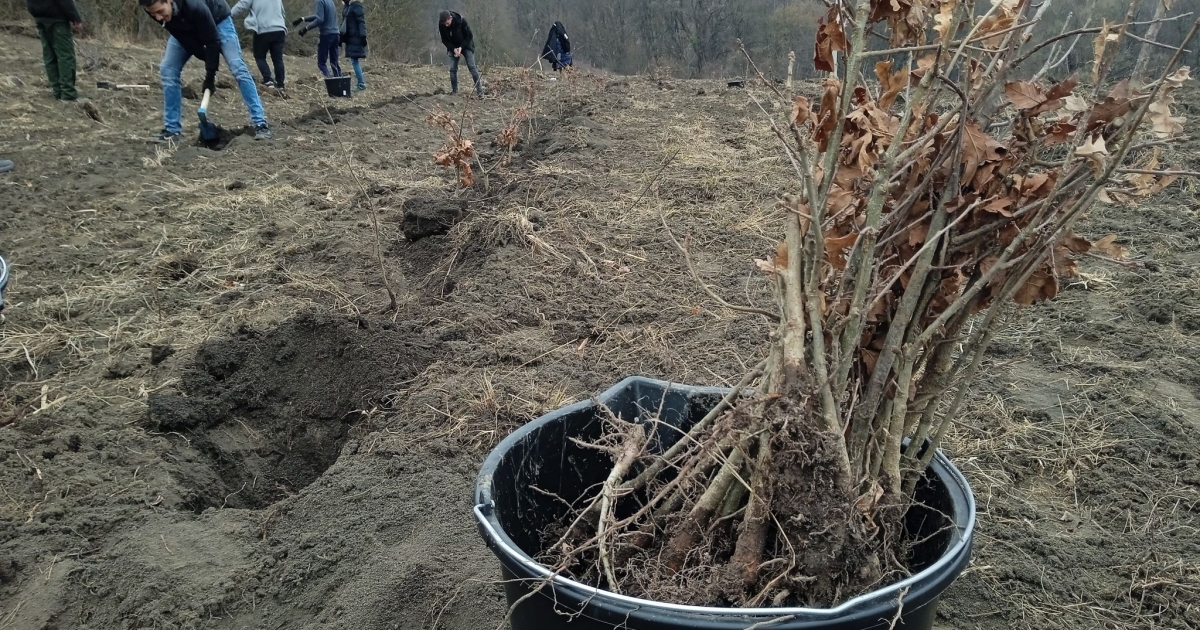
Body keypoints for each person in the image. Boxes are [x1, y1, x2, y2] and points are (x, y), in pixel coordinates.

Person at [140, 0, 271, 142]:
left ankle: (260, 124)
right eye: (153, 13)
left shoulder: (194, 6)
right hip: (185, 29)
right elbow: (186, 40)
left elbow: (212, 42)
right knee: (168, 69)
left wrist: (210, 77)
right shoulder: (152, 9)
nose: (158, 17)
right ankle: (172, 131)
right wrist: (204, 56)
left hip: (218, 20)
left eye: (160, 11)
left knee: (237, 67)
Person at [26, 0, 84, 101]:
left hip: (40, 18)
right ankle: (68, 94)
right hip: (57, 19)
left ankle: (58, 92)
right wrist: (75, 18)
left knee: (49, 55)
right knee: (65, 56)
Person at [230, 0, 287, 90]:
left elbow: (242, 5)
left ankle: (268, 80)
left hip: (263, 30)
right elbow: (282, 11)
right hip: (279, 29)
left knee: (259, 56)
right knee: (278, 59)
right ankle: (280, 84)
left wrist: (228, 15)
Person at [438, 10, 481, 96]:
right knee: (452, 69)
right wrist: (453, 49)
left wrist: (461, 47)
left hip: (466, 45)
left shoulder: (461, 21)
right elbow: (444, 40)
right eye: (444, 24)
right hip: (453, 47)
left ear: (451, 18)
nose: (446, 25)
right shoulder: (442, 25)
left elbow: (469, 36)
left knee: (472, 67)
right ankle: (455, 92)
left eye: (447, 23)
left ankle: (480, 91)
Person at [293, 0, 341, 78]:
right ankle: (339, 80)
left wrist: (306, 28)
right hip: (336, 34)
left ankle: (330, 79)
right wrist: (303, 18)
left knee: (321, 63)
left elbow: (320, 19)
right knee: (334, 62)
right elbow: (319, 15)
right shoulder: (330, 1)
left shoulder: (320, 1)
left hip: (326, 35)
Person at [341, 0, 367, 91]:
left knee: (355, 61)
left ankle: (361, 84)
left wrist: (363, 37)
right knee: (354, 61)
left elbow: (361, 22)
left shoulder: (356, 5)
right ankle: (361, 82)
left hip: (355, 38)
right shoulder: (349, 6)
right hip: (351, 38)